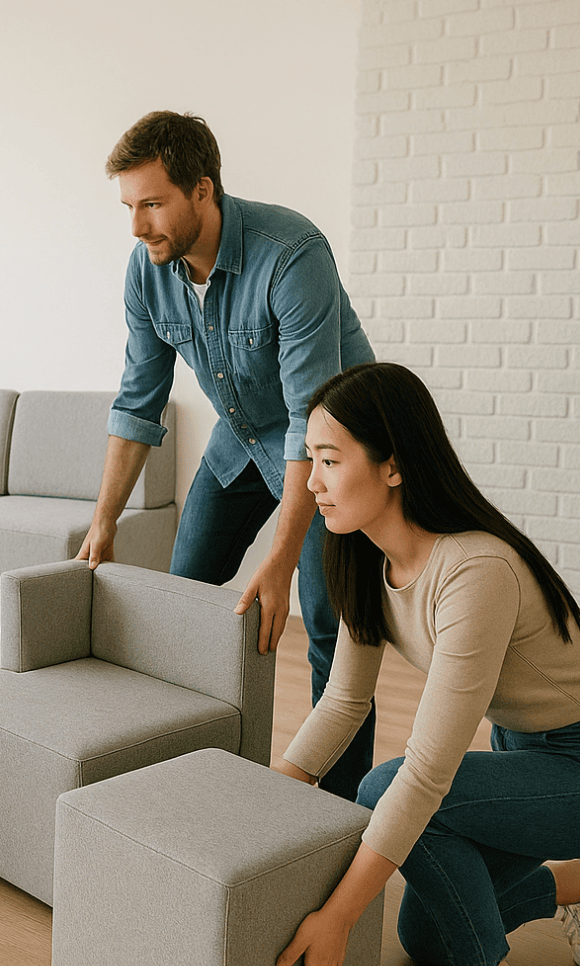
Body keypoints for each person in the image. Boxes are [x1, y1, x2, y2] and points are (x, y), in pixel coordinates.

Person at [77, 110, 377, 800]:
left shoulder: (291, 253)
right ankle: (188, 775)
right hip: (240, 441)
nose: (136, 226)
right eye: (129, 206)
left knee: (330, 629)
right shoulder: (147, 271)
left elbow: (311, 419)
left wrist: (277, 558)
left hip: (335, 452)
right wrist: (104, 522)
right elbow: (137, 402)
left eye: (152, 203)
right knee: (183, 604)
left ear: (203, 191)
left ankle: (336, 817)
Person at [273, 362, 580, 966]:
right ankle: (571, 885)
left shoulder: (474, 571)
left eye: (330, 460)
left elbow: (427, 773)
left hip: (574, 760)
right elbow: (342, 704)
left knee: (388, 788)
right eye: (311, 458)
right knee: (427, 937)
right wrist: (258, 804)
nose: (311, 482)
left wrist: (338, 917)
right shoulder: (364, 556)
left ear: (393, 465)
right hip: (520, 750)